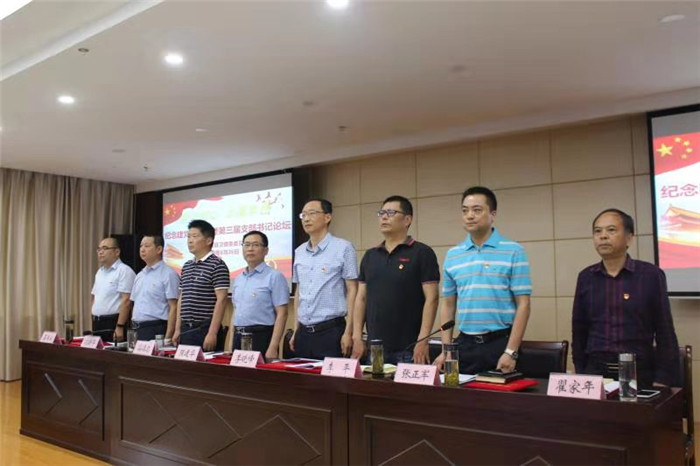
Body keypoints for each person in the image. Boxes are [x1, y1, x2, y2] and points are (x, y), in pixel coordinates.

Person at [572, 208, 680, 388]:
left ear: (629, 238)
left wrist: (663, 379)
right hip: (596, 371)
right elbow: (579, 329)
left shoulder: (650, 275)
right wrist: (581, 372)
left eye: (611, 230)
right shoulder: (586, 277)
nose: (603, 236)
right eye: (597, 231)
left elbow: (664, 329)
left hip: (639, 371)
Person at [434, 186, 532, 374]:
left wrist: (511, 351)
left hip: (500, 344)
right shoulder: (453, 255)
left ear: (493, 214)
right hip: (464, 344)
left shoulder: (514, 251)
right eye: (465, 211)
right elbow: (448, 305)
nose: (469, 216)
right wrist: (446, 350)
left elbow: (524, 304)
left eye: (477, 210)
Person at [351, 195, 439, 364]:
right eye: (381, 213)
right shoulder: (370, 255)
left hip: (409, 348)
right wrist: (357, 336)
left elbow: (432, 298)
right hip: (375, 347)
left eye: (391, 213)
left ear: (407, 220)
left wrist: (423, 340)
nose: (384, 217)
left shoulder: (422, 253)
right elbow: (361, 298)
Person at [291, 198, 358, 359]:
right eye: (303, 215)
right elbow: (299, 292)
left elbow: (352, 290)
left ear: (327, 217)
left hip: (331, 331)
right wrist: (295, 330)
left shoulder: (343, 248)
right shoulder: (299, 251)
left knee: (331, 376)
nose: (306, 219)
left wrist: (349, 331)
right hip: (303, 332)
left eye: (312, 213)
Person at [172, 219, 230, 350]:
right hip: (185, 328)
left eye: (195, 236)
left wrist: (212, 333)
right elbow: (182, 298)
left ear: (209, 240)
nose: (190, 240)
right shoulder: (187, 266)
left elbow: (221, 300)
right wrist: (177, 329)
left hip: (204, 328)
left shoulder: (217, 265)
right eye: (188, 237)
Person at [231, 230, 289, 360]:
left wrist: (273, 347)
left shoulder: (274, 276)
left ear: (266, 250)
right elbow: (235, 311)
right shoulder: (239, 278)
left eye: (256, 245)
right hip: (238, 335)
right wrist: (230, 345)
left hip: (261, 336)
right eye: (246, 245)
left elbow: (282, 313)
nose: (250, 249)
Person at [130, 235, 180, 341]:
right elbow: (134, 303)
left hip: (155, 328)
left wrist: (168, 337)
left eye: (147, 246)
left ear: (159, 249)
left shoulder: (169, 274)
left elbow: (174, 307)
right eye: (141, 246)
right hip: (136, 328)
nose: (142, 249)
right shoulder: (140, 275)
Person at [91, 236, 135, 343]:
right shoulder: (100, 272)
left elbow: (126, 301)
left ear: (117, 252)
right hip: (97, 322)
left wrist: (120, 326)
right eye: (99, 249)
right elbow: (94, 297)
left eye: (105, 248)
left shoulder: (124, 271)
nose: (100, 252)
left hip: (114, 322)